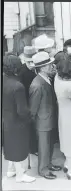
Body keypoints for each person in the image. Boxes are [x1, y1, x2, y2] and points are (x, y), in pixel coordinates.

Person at [2, 54, 36, 183]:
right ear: (16, 67)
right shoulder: (18, 86)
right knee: (19, 147)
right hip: (18, 123)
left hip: (6, 119)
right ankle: (20, 175)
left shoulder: (3, 80)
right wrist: (30, 116)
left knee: (10, 145)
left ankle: (11, 170)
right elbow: (22, 110)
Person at [29, 52, 62, 180]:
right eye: (49, 65)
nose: (51, 66)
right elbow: (33, 108)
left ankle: (48, 164)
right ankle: (43, 170)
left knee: (49, 144)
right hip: (42, 121)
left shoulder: (45, 79)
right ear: (42, 68)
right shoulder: (37, 84)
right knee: (43, 146)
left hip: (48, 119)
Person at [18, 46, 38, 155]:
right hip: (27, 101)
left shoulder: (33, 69)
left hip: (32, 100)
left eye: (33, 61)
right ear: (25, 60)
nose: (32, 64)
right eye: (29, 62)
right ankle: (32, 148)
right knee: (30, 127)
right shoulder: (22, 72)